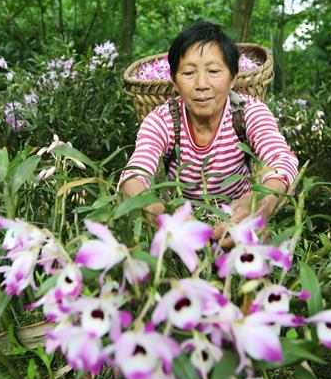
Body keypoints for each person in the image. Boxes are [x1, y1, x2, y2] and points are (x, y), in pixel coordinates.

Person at [118, 21, 299, 248]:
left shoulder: (248, 112)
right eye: (188, 72)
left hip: (238, 222)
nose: (201, 84)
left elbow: (282, 160)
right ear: (174, 80)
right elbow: (134, 176)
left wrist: (258, 205)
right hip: (180, 232)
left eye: (214, 71)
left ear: (233, 78)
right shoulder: (161, 121)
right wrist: (164, 215)